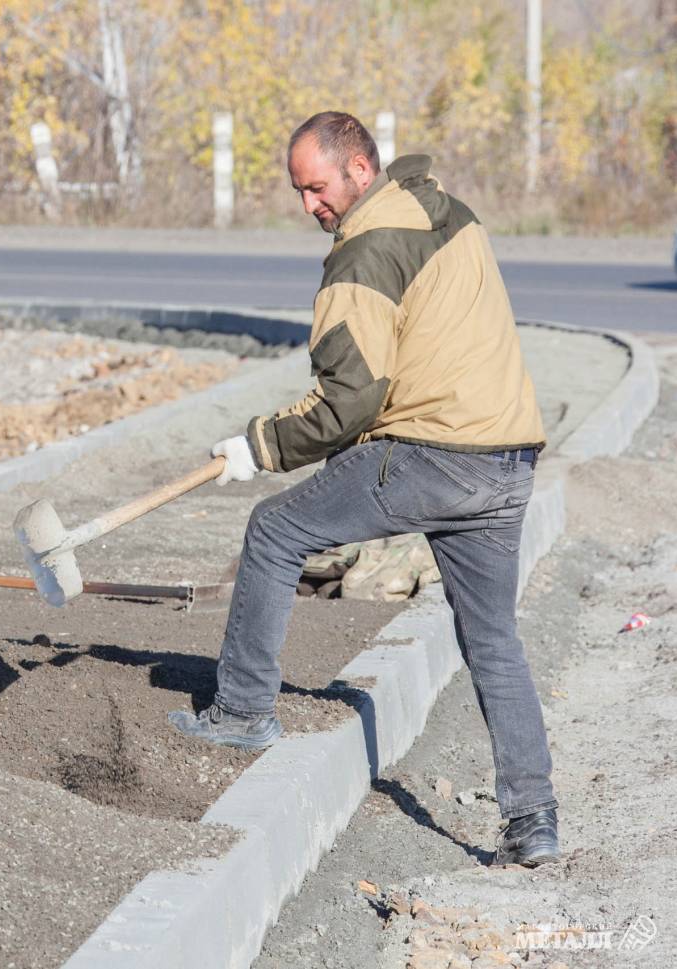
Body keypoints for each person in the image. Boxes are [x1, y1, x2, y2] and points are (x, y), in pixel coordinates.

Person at [168, 112, 559, 867]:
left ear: (356, 169)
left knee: (275, 532)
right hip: (507, 459)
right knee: (492, 639)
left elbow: (350, 400)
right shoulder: (443, 208)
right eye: (298, 191)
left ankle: (242, 711)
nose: (308, 206)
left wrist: (258, 445)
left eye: (315, 187)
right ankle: (532, 818)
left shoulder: (363, 253)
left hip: (432, 453)